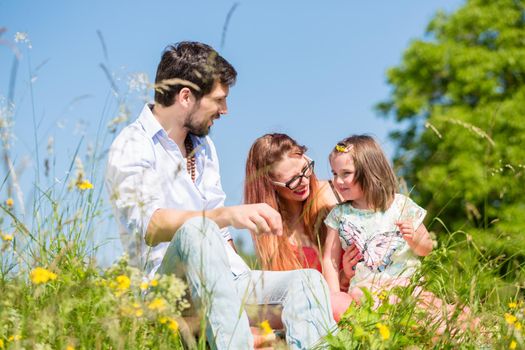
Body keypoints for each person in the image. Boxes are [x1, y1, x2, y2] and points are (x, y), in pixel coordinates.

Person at [105, 42, 335, 350]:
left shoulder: (204, 148)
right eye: (218, 100)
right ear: (186, 97)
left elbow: (220, 231)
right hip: (170, 288)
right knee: (198, 231)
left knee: (307, 283)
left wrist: (236, 267)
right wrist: (228, 215)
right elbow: (152, 225)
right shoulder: (133, 144)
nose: (225, 110)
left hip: (227, 281)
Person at [322, 134, 473, 334]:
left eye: (346, 173)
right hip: (365, 289)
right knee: (349, 304)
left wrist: (414, 238)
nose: (338, 181)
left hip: (406, 286)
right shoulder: (339, 214)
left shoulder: (400, 205)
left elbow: (426, 248)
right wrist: (334, 295)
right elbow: (330, 259)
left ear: (370, 171)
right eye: (334, 173)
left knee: (442, 320)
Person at [244, 133, 355, 321]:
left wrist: (346, 277)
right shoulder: (269, 232)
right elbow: (286, 299)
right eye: (292, 179)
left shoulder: (335, 194)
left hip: (362, 299)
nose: (304, 181)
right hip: (317, 317)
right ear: (270, 185)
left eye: (305, 169)